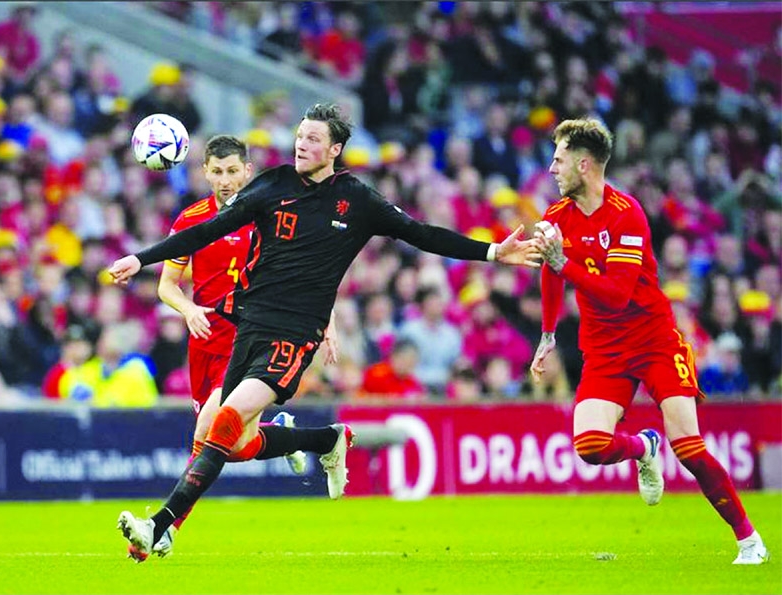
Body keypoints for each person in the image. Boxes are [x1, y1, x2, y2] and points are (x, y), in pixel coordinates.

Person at [109, 103, 540, 559]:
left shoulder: (357, 200)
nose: (301, 143)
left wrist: (493, 252)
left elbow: (422, 234)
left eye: (313, 139)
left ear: (334, 149)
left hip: (294, 335)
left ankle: (160, 526)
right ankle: (327, 439)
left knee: (226, 421)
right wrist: (142, 258)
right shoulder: (272, 185)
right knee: (229, 445)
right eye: (299, 135)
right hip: (248, 328)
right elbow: (207, 231)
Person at [530, 117, 768, 565]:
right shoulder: (556, 216)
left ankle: (749, 540)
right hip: (602, 348)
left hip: (654, 339)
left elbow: (617, 294)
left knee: (690, 447)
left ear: (584, 165)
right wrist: (546, 333)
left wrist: (564, 264)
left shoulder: (626, 213)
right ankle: (643, 447)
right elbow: (550, 270)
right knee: (591, 446)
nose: (551, 169)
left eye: (559, 159)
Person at [140, 134, 345, 561]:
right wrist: (188, 308)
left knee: (208, 435)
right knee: (232, 447)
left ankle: (165, 528)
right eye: (217, 171)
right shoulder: (192, 219)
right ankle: (316, 439)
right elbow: (166, 286)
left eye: (233, 170)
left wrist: (324, 323)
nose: (225, 180)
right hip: (203, 343)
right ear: (205, 173)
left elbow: (304, 275)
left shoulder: (268, 212)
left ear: (248, 172)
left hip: (251, 337)